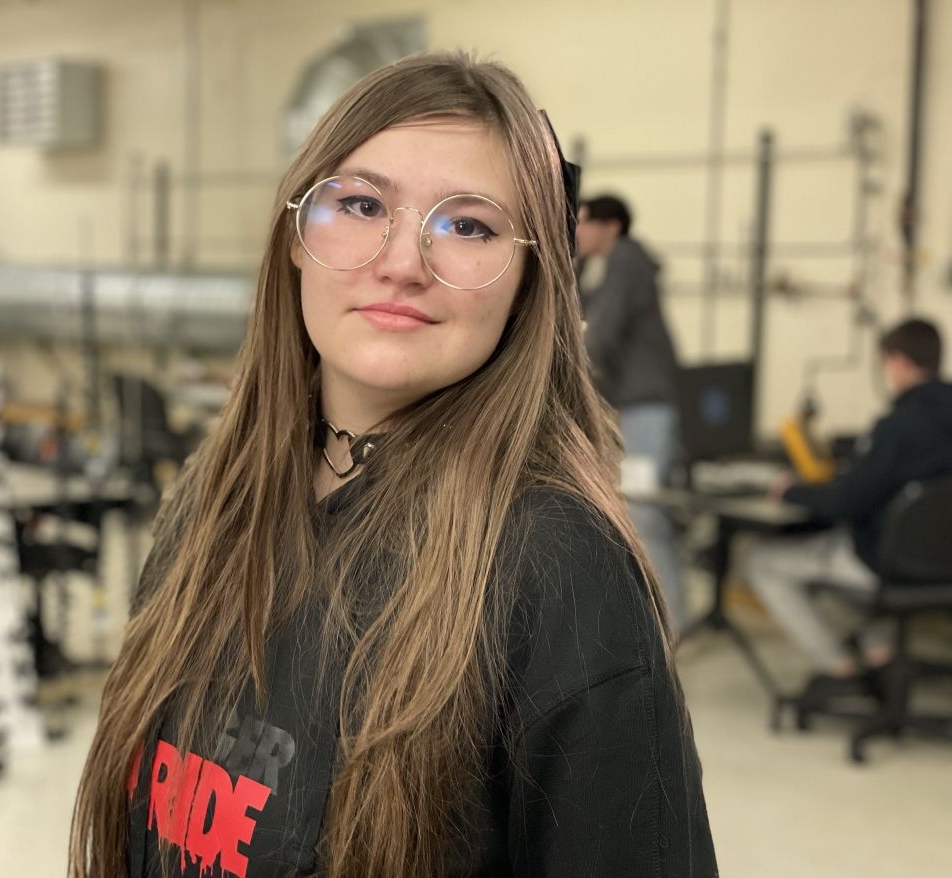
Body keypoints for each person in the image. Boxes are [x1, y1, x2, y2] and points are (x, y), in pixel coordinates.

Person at [70, 53, 716, 878]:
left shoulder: (558, 566)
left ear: (529, 279)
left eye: (469, 226)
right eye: (362, 204)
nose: (404, 262)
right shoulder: (215, 493)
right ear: (296, 235)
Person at [747, 318, 952, 692]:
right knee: (864, 556)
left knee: (763, 561)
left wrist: (791, 491)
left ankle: (838, 669)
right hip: (941, 563)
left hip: (885, 564)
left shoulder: (897, 426)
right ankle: (881, 659)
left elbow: (846, 501)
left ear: (897, 360)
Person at [575, 195, 685, 627]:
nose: (578, 231)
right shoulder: (613, 265)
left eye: (586, 223)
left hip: (648, 407)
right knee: (640, 509)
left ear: (612, 227)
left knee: (645, 510)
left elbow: (600, 332)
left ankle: (670, 623)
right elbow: (578, 305)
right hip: (636, 406)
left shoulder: (627, 263)